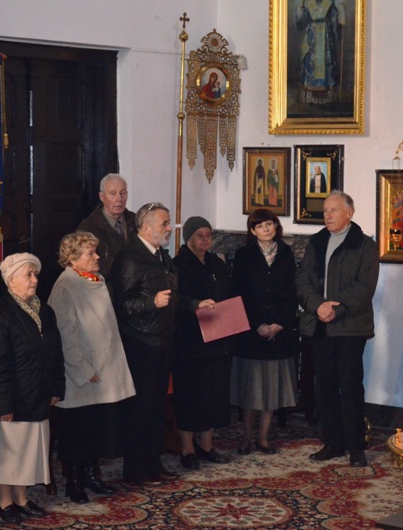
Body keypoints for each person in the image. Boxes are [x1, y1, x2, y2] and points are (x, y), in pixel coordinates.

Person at [111, 202, 214, 485]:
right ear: (146, 228)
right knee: (140, 409)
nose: (170, 228)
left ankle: (153, 464)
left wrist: (195, 304)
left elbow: (173, 298)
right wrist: (150, 303)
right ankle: (136, 470)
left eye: (169, 223)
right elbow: (120, 305)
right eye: (164, 224)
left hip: (163, 340)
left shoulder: (162, 256)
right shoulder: (129, 258)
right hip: (140, 343)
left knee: (157, 408)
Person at [0, 253, 65, 524]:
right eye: (28, 275)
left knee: (27, 452)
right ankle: (5, 502)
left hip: (37, 393)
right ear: (10, 280)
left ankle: (22, 498)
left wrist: (56, 387)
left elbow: (56, 353)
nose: (34, 280)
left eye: (35, 274)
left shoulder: (44, 311)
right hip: (11, 397)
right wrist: (2, 404)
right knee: (7, 453)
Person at [47, 232, 136, 503]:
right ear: (73, 259)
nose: (97, 257)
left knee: (95, 427)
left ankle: (91, 474)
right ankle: (73, 481)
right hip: (82, 373)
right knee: (76, 430)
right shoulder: (65, 287)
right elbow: (65, 335)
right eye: (90, 253)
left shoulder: (96, 280)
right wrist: (83, 370)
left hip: (103, 367)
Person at [295, 190, 379, 468]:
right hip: (319, 326)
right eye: (325, 211)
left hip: (350, 328)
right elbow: (302, 280)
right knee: (325, 387)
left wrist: (337, 308)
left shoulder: (364, 245)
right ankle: (332, 443)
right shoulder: (316, 242)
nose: (327, 215)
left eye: (333, 210)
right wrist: (318, 306)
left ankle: (356, 448)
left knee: (350, 387)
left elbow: (364, 286)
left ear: (349, 213)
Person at [231, 209, 298, 456]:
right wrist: (256, 323)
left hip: (279, 332)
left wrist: (280, 323)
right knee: (250, 391)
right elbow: (238, 293)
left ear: (276, 226)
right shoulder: (244, 255)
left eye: (269, 224)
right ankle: (245, 438)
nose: (266, 229)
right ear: (252, 231)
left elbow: (292, 291)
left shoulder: (286, 253)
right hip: (252, 333)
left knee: (271, 390)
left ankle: (263, 438)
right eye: (260, 226)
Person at [173, 216, 236, 470]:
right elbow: (176, 299)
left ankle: (207, 445)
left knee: (213, 392)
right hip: (190, 340)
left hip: (217, 336)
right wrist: (197, 305)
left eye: (208, 235)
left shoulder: (216, 263)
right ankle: (187, 448)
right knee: (190, 393)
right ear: (188, 238)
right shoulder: (178, 264)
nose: (205, 239)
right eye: (199, 235)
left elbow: (228, 293)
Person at [78, 173, 137, 280]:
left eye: (122, 193)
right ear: (102, 197)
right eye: (113, 194)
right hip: (105, 284)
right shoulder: (89, 227)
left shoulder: (136, 221)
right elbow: (85, 267)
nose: (119, 199)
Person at [295, 0, 344, 105]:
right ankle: (310, 98)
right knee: (311, 62)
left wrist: (341, 14)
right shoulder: (307, 2)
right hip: (311, 38)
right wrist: (300, 9)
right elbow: (300, 23)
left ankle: (327, 98)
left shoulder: (329, 2)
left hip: (326, 39)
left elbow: (335, 20)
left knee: (327, 62)